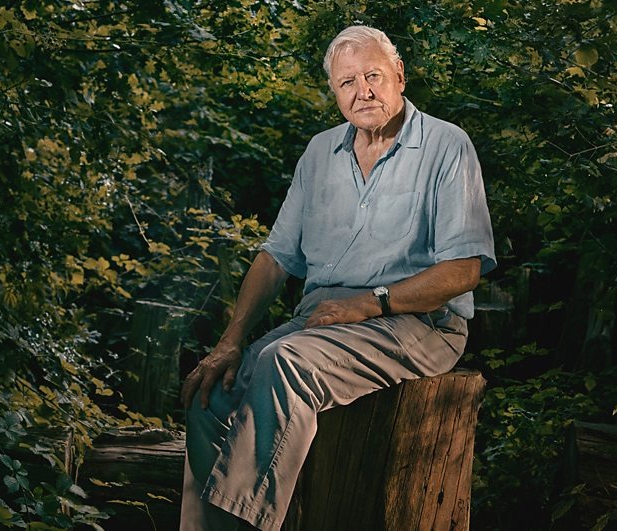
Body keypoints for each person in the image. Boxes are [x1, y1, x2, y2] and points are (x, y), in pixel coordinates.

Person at [178, 25, 496, 531]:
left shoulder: (445, 146)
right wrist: (231, 340)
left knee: (285, 364)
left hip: (416, 321)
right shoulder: (320, 153)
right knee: (212, 392)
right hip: (323, 322)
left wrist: (373, 303)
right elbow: (276, 257)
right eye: (347, 82)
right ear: (334, 92)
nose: (362, 91)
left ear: (399, 75)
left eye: (373, 76)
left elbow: (465, 270)